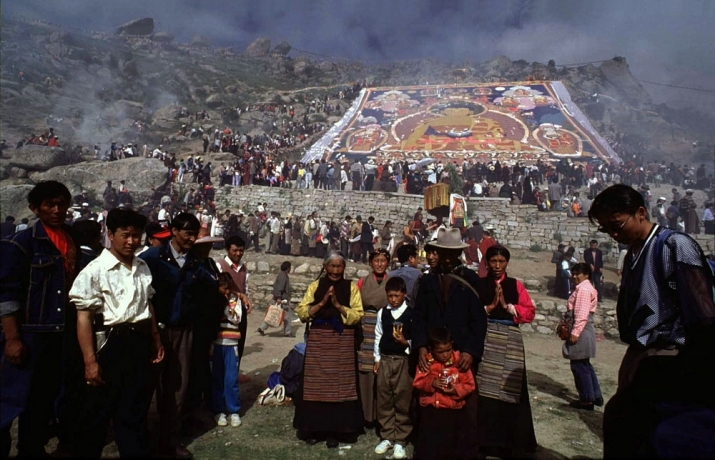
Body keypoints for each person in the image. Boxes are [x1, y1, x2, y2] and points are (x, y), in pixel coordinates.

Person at [588, 184, 715, 458]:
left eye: (617, 225)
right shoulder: (634, 251)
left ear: (641, 213)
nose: (613, 234)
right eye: (606, 229)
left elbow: (703, 315)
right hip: (641, 354)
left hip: (668, 357)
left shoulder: (674, 246)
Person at [68, 208, 164, 457]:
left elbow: (148, 304)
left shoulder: (142, 266)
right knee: (96, 416)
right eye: (125, 235)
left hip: (139, 342)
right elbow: (84, 317)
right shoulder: (95, 270)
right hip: (110, 344)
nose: (132, 241)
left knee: (133, 411)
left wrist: (155, 338)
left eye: (136, 235)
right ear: (110, 234)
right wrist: (90, 361)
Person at [0, 181, 80, 457]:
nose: (57, 210)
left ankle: (31, 450)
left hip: (58, 335)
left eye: (61, 204)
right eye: (49, 205)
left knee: (42, 401)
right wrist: (12, 339)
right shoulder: (20, 243)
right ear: (35, 208)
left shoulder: (71, 239)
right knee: (10, 401)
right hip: (29, 334)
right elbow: (7, 296)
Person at [139, 213, 224, 459]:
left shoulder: (197, 264)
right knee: (145, 387)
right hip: (152, 332)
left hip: (183, 332)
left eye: (194, 234)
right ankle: (140, 440)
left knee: (177, 389)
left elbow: (212, 292)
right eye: (187, 233)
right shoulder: (151, 259)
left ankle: (169, 441)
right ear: (174, 231)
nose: (191, 238)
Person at [412, 228, 488, 457]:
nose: (445, 258)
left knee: (463, 404)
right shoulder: (426, 281)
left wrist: (470, 351)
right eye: (442, 252)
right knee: (431, 401)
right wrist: (421, 346)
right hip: (433, 352)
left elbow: (479, 321)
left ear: (457, 255)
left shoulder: (470, 280)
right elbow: (419, 316)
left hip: (460, 354)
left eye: (450, 254)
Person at [294, 252, 365, 448]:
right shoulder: (315, 286)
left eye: (339, 266)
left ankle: (338, 431)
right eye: (331, 266)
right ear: (325, 267)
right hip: (318, 342)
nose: (335, 271)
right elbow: (301, 311)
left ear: (344, 268)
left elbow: (358, 315)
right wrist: (322, 303)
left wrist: (337, 306)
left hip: (342, 343)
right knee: (315, 388)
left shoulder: (351, 288)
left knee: (340, 389)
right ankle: (314, 429)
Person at [474, 245, 537, 458]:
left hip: (510, 340)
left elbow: (529, 311)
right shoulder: (480, 284)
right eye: (493, 261)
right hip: (487, 337)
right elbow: (471, 310)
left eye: (501, 262)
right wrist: (490, 307)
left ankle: (508, 443)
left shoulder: (515, 285)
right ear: (487, 263)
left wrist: (510, 307)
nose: (497, 266)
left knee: (510, 390)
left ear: (507, 263)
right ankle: (485, 441)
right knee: (485, 388)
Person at [412, 327, 476, 460]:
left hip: (452, 411)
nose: (445, 354)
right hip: (431, 411)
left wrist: (456, 390)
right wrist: (431, 383)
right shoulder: (426, 363)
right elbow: (417, 382)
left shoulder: (459, 362)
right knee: (430, 445)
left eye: (448, 350)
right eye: (440, 352)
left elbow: (470, 384)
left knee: (451, 446)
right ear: (431, 349)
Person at [372, 276, 414, 460]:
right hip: (386, 360)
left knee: (402, 398)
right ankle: (387, 435)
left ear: (404, 294)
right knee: (384, 398)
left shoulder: (411, 314)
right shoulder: (383, 313)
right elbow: (378, 333)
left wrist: (406, 343)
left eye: (397, 296)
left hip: (403, 361)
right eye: (390, 296)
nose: (394, 300)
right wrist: (377, 358)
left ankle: (400, 439)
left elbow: (416, 339)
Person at [356, 248, 391, 426]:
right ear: (371, 263)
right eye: (376, 260)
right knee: (366, 370)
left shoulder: (392, 282)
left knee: (383, 369)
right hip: (366, 328)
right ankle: (365, 415)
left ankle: (381, 415)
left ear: (387, 263)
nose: (379, 264)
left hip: (384, 327)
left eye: (382, 261)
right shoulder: (362, 283)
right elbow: (355, 303)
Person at [563, 263, 603, 411]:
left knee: (578, 365)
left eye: (577, 273)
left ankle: (586, 400)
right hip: (584, 328)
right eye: (573, 273)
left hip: (581, 329)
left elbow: (581, 313)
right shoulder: (584, 288)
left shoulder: (584, 290)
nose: (574, 276)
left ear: (586, 274)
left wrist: (575, 332)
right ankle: (595, 395)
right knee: (585, 364)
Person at [211, 273, 243, 429]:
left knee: (231, 379)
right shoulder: (214, 302)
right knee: (217, 377)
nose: (226, 292)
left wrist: (225, 308)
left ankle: (234, 410)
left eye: (228, 289)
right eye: (223, 289)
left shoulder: (235, 301)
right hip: (217, 343)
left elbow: (237, 318)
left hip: (231, 345)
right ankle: (218, 410)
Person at [216, 236, 253, 363]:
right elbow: (218, 287)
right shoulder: (220, 266)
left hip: (239, 312)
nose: (238, 253)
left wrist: (246, 300)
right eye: (235, 250)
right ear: (227, 250)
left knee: (239, 345)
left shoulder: (244, 268)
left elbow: (245, 288)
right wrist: (239, 295)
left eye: (241, 250)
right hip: (224, 312)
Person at [257, 261, 293, 337]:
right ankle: (287, 332)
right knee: (287, 315)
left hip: (279, 298)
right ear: (288, 268)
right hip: (282, 299)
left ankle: (262, 328)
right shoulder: (283, 276)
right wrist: (279, 297)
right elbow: (280, 287)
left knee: (273, 314)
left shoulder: (281, 275)